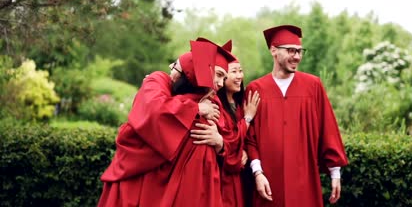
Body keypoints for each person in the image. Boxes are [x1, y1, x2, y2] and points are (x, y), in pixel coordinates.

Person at [98, 39, 235, 206]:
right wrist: (196, 109)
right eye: (219, 74)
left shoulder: (212, 105)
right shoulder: (158, 81)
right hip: (144, 178)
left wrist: (220, 143)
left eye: (224, 77)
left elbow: (232, 143)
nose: (221, 84)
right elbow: (153, 112)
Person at [245, 25, 348, 207]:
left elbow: (328, 128)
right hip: (268, 181)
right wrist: (257, 173)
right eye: (291, 51)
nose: (297, 57)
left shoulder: (312, 86)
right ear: (273, 50)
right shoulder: (256, 89)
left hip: (304, 180)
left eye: (300, 51)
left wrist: (335, 173)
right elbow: (249, 137)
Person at [215, 40, 260, 207]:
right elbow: (229, 141)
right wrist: (247, 119)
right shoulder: (215, 106)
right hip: (224, 180)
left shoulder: (241, 105)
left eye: (241, 71)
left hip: (243, 176)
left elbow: (250, 138)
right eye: (234, 71)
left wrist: (246, 151)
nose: (240, 76)